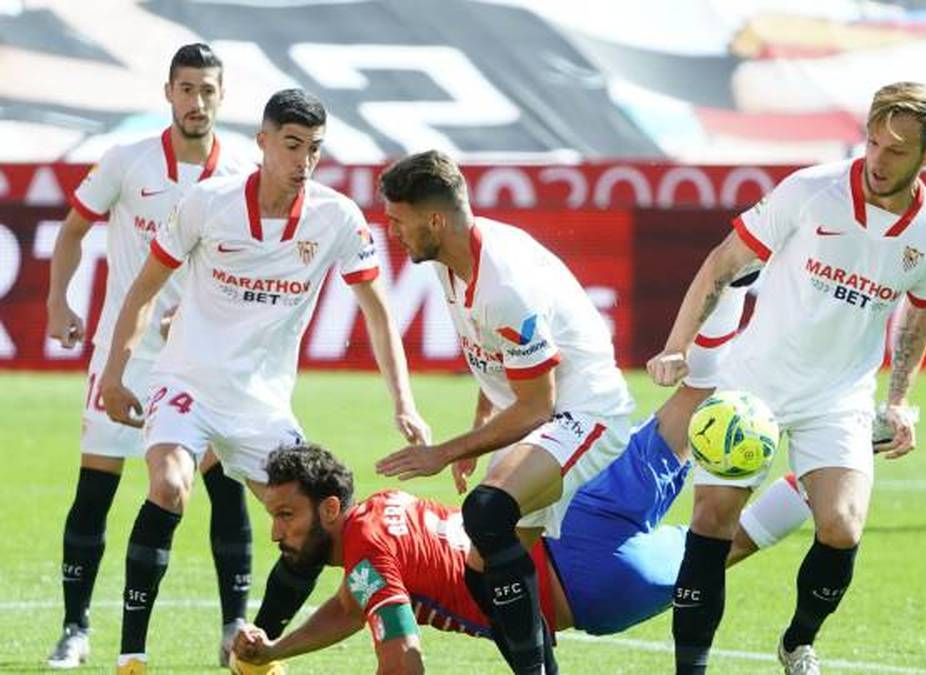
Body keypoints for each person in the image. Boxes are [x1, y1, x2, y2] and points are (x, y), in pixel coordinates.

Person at [97, 88, 429, 674]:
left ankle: (256, 650)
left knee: (318, 523)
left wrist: (404, 403)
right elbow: (143, 290)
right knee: (171, 487)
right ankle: (132, 656)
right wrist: (117, 374)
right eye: (293, 145)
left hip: (261, 404)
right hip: (187, 384)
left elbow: (378, 313)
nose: (303, 162)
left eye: (315, 149)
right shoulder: (209, 202)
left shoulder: (336, 217)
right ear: (264, 142)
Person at [647, 82, 926, 675]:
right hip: (753, 383)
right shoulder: (811, 190)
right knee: (712, 520)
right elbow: (723, 262)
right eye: (872, 142)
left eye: (896, 151)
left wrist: (899, 400)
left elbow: (922, 309)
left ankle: (797, 643)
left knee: (841, 529)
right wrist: (675, 347)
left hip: (839, 396)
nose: (877, 159)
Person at [230, 393, 813, 671]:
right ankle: (821, 450)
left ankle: (814, 479)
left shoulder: (366, 553)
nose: (277, 533)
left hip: (590, 593)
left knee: (728, 547)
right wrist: (279, 649)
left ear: (330, 510)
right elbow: (349, 606)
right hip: (569, 533)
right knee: (682, 413)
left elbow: (402, 659)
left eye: (286, 515)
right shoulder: (382, 512)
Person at [372, 150, 635, 673]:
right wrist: (478, 433)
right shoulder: (454, 262)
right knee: (480, 571)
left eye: (398, 221)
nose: (393, 234)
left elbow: (539, 406)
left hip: (588, 411)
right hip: (547, 413)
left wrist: (444, 452)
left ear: (435, 219)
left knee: (489, 513)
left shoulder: (504, 284)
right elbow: (493, 362)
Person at [43, 43, 257, 669]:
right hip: (125, 353)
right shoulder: (127, 161)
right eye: (186, 89)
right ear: (168, 93)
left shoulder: (242, 170)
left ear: (223, 95)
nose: (197, 102)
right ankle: (75, 630)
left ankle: (233, 628)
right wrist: (57, 303)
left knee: (224, 487)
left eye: (207, 90)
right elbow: (72, 232)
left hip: (203, 359)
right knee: (95, 489)